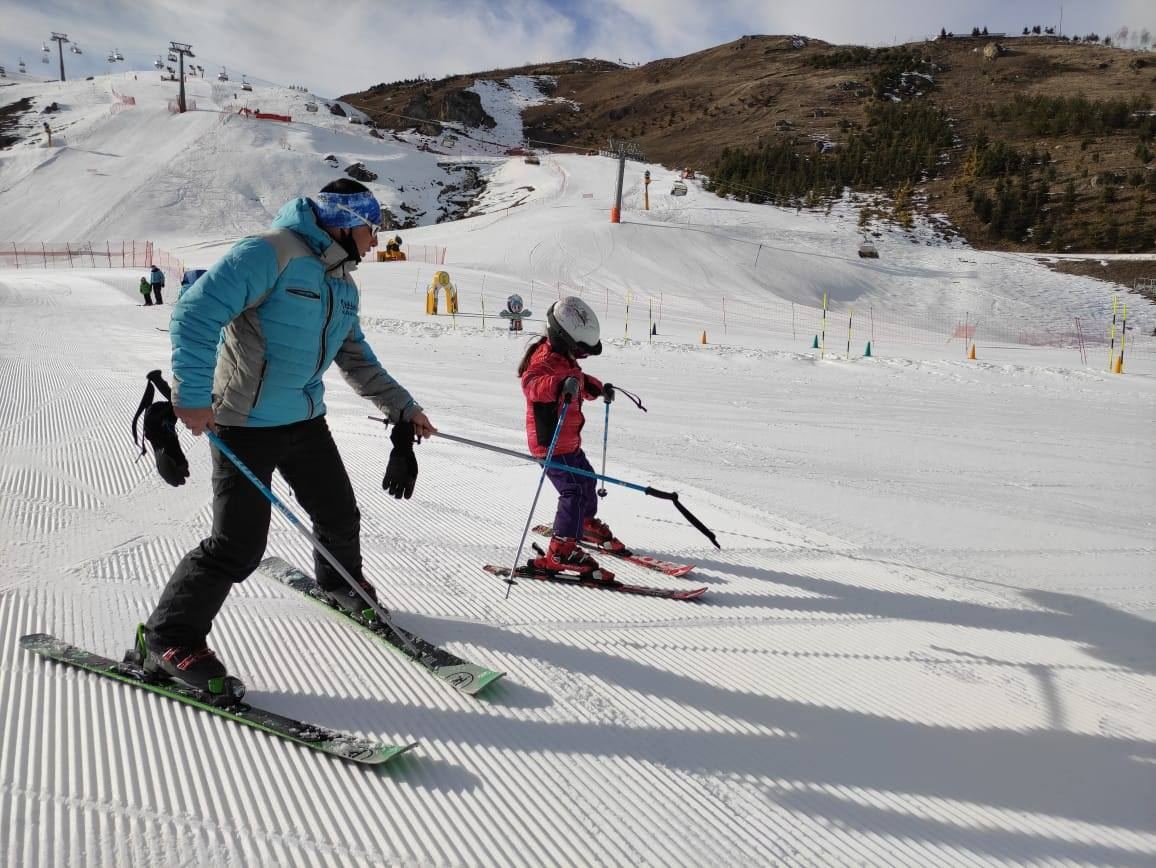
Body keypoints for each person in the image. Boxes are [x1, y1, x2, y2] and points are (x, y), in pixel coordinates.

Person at [135, 178, 436, 695]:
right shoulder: (269, 253)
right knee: (237, 545)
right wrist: (191, 394)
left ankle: (340, 583)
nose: (376, 241)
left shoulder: (342, 283)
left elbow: (356, 357)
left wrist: (404, 408)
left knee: (339, 514)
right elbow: (196, 314)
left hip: (304, 418)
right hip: (244, 423)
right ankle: (167, 639)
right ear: (345, 223)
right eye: (371, 230)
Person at [518, 296, 623, 579]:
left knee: (587, 479)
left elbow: (577, 379)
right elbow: (531, 384)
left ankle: (584, 523)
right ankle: (561, 550)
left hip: (568, 441)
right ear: (564, 339)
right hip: (549, 442)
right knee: (573, 491)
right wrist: (559, 385)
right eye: (581, 350)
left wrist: (598, 389)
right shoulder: (544, 358)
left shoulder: (563, 358)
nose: (582, 356)